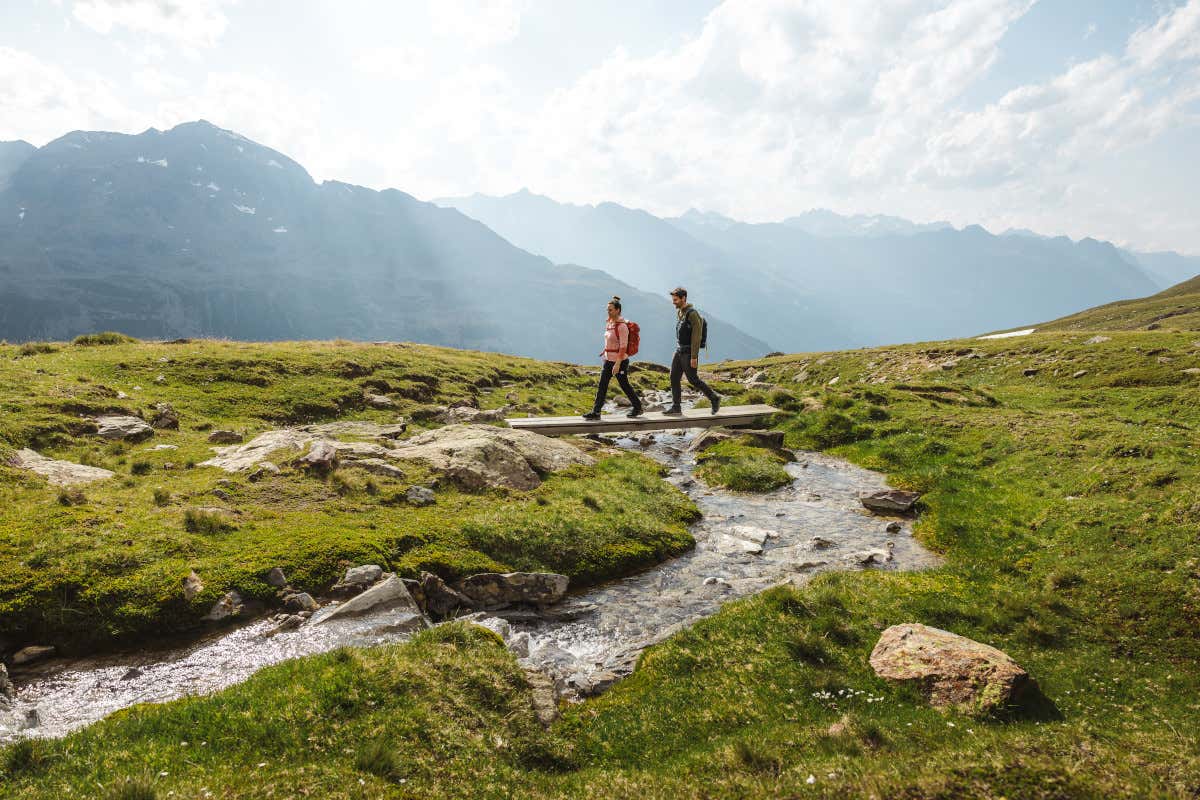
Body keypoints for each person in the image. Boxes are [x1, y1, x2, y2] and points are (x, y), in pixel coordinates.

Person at [583, 296, 643, 420]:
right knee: (602, 385)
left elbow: (623, 347)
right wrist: (606, 353)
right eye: (607, 309)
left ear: (617, 310)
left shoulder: (622, 327)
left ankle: (637, 407)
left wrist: (617, 363)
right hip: (608, 360)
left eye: (610, 310)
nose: (608, 312)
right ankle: (596, 412)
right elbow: (610, 341)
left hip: (619, 361)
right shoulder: (610, 324)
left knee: (624, 384)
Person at [664, 286, 720, 415]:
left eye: (676, 299)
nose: (673, 302)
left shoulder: (692, 314)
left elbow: (696, 336)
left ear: (683, 298)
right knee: (673, 377)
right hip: (679, 350)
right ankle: (676, 406)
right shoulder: (681, 312)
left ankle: (714, 398)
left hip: (689, 352)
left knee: (693, 379)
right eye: (673, 299)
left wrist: (694, 357)